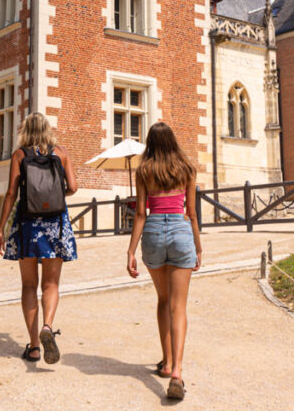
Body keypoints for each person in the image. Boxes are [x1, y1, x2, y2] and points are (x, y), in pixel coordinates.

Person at [126, 122, 202, 401]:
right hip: (182, 233)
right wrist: (198, 246)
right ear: (173, 141)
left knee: (163, 300)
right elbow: (192, 213)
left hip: (154, 232)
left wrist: (130, 251)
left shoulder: (144, 170)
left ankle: (167, 361)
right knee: (179, 306)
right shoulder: (187, 169)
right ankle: (177, 373)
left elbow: (140, 215)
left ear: (150, 143)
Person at [0, 112, 78, 365]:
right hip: (56, 223)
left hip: (28, 224)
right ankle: (47, 327)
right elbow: (73, 187)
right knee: (51, 284)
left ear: (25, 131)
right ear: (48, 129)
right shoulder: (61, 154)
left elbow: (11, 193)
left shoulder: (20, 155)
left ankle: (33, 347)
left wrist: (0, 228)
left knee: (29, 285)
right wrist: (54, 194)